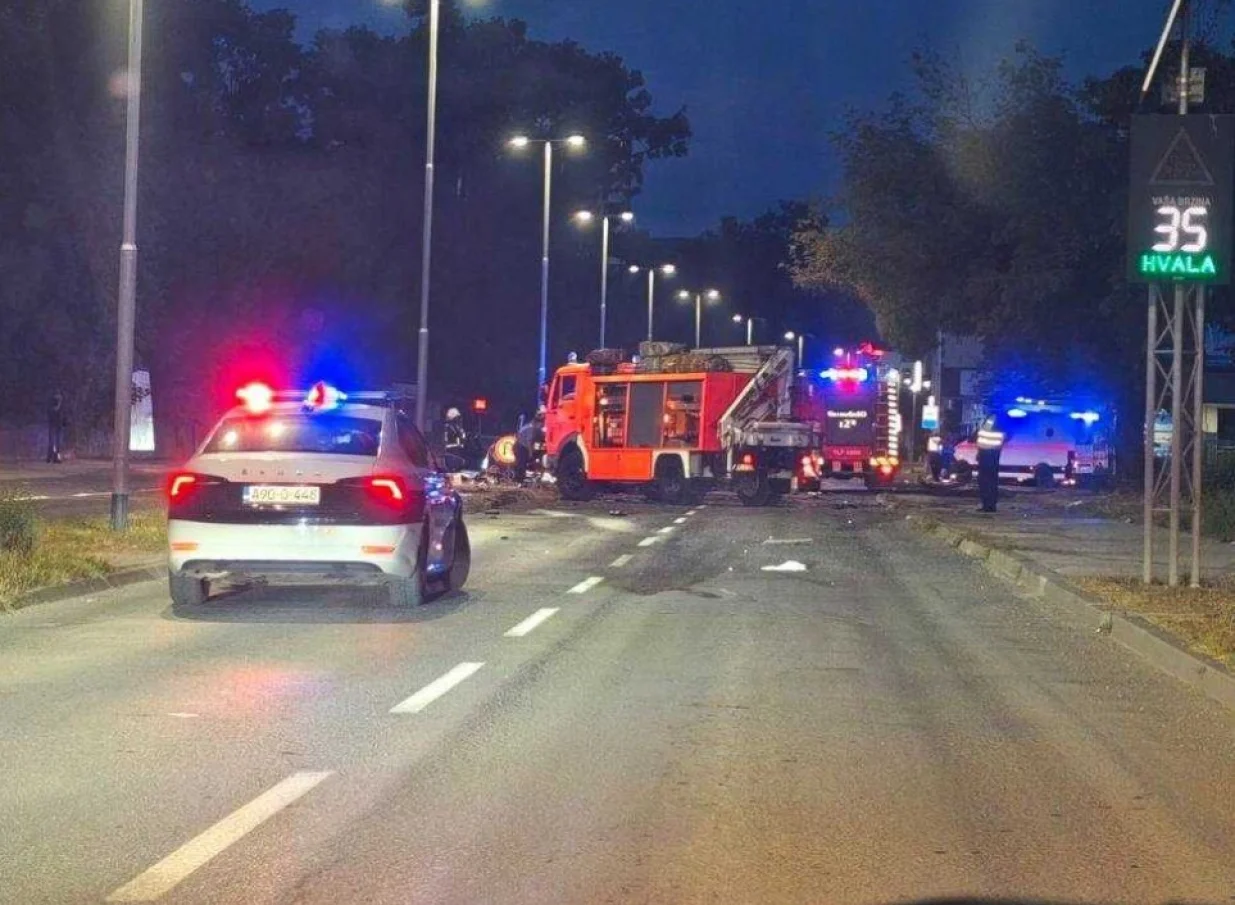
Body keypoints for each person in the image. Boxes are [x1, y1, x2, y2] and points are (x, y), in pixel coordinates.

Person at [976, 418, 1005, 513]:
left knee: (986, 480)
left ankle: (988, 505)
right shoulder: (993, 418)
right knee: (990, 480)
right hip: (990, 452)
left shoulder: (993, 419)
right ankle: (989, 504)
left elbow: (986, 436)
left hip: (988, 453)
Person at [46, 391, 66, 464]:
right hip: (55, 426)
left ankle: (52, 457)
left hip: (56, 426)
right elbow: (61, 418)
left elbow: (62, 418)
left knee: (54, 442)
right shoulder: (55, 409)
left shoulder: (54, 409)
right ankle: (53, 457)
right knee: (55, 442)